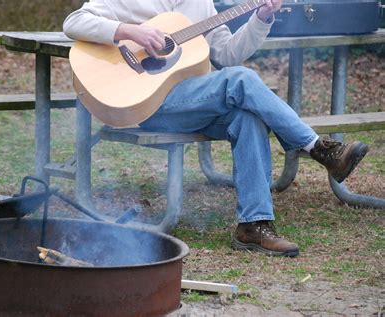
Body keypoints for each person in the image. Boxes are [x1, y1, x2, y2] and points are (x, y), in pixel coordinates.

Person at [63, 0, 369, 257]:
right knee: (241, 80)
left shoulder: (201, 3)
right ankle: (317, 147)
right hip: (149, 104)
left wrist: (261, 19)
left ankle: (253, 225)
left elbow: (226, 53)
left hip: (199, 102)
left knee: (248, 118)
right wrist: (131, 32)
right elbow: (75, 21)